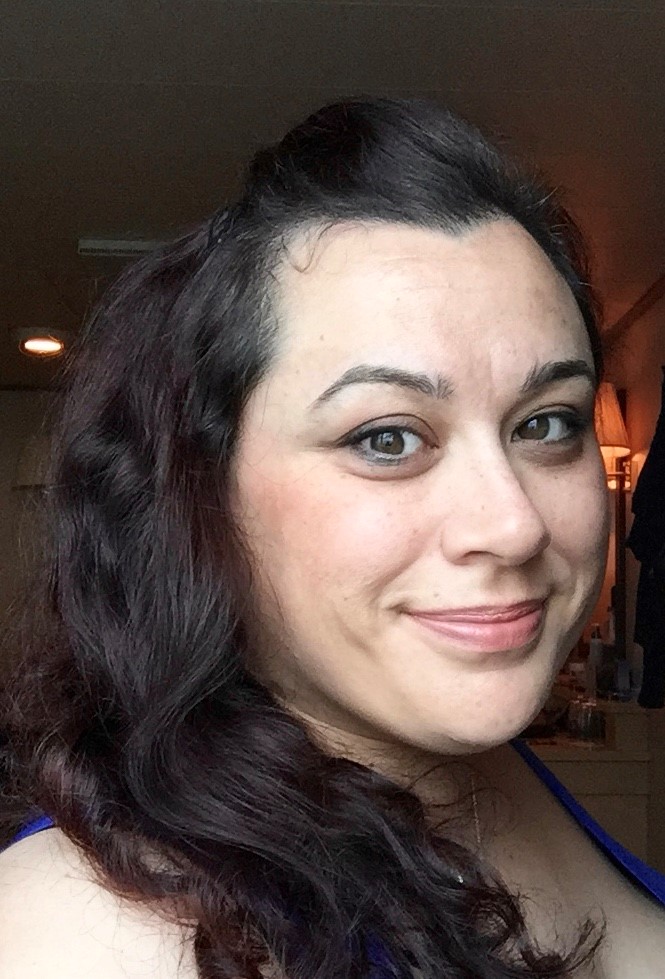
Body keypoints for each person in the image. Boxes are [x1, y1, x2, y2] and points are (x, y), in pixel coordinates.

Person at [0, 97, 664, 979]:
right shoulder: (92, 936)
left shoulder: (476, 759)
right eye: (386, 437)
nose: (513, 524)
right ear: (201, 491)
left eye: (545, 423)